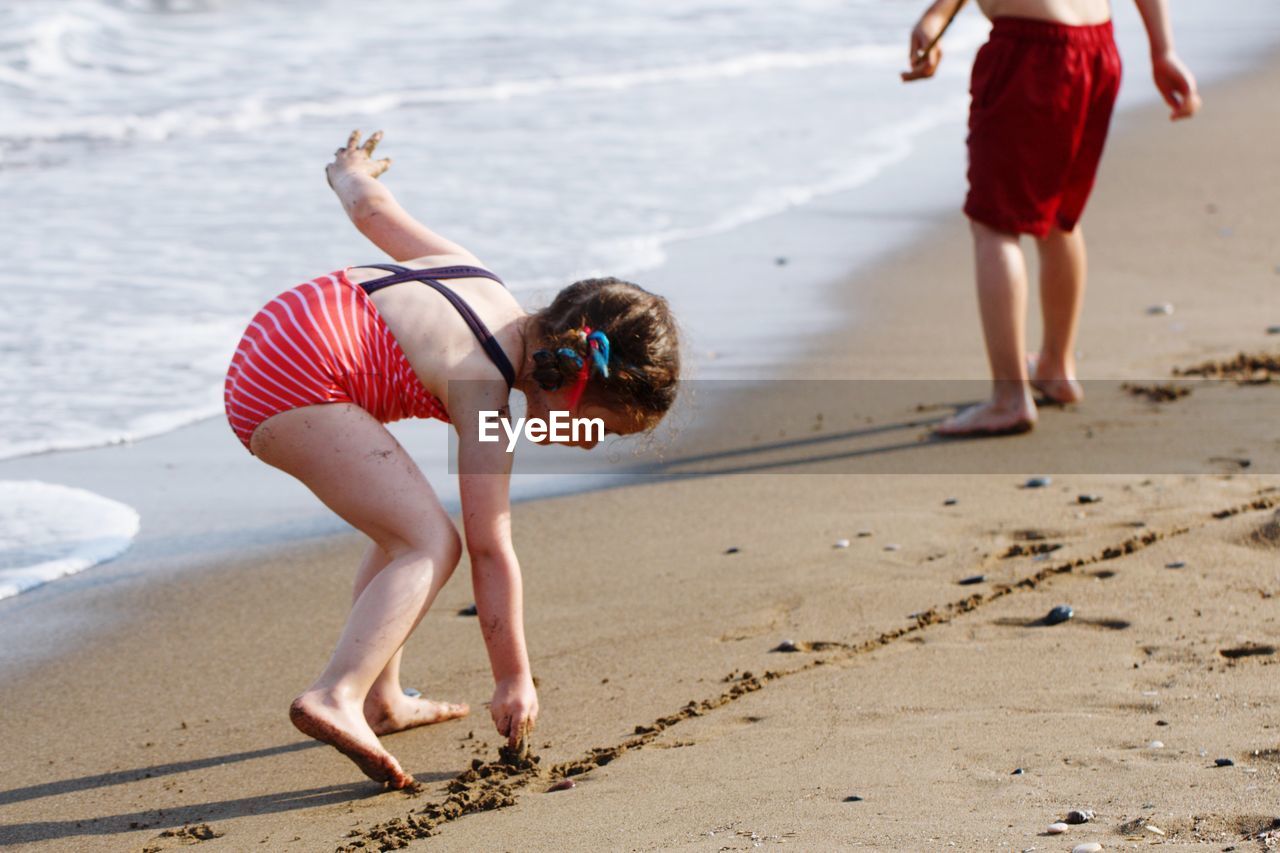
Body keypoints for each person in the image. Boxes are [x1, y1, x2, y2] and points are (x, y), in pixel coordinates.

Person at [223, 130, 680, 788]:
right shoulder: (485, 392)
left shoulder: (478, 276)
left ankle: (381, 697)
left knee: (398, 528)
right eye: (598, 429)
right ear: (572, 382)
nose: (587, 445)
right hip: (296, 387)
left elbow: (371, 211)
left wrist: (348, 170)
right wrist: (513, 678)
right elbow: (491, 550)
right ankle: (336, 693)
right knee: (432, 541)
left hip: (272, 343)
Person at [903, 0, 1200, 435]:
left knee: (994, 225)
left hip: (1031, 55)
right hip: (1096, 48)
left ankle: (1009, 397)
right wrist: (1163, 50)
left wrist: (935, 17)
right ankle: (1056, 365)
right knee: (1059, 218)